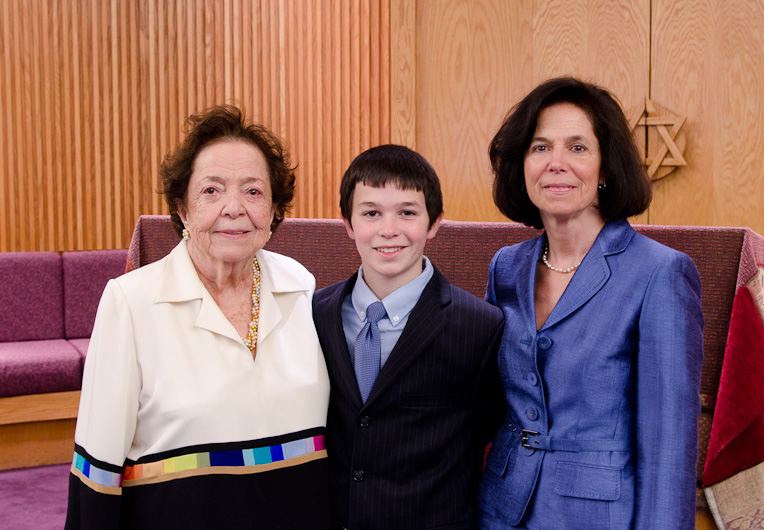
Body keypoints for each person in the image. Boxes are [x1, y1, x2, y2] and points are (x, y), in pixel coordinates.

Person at [65, 106, 330, 529]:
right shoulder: (131, 302)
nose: (234, 207)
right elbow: (97, 470)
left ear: (274, 210)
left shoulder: (298, 285)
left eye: (253, 191)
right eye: (211, 190)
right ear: (182, 209)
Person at [477, 77, 704, 530]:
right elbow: (486, 402)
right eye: (540, 147)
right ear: (522, 166)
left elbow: (669, 448)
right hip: (500, 509)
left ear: (605, 169)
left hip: (597, 516)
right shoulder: (506, 267)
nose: (556, 163)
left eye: (577, 148)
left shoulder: (660, 273)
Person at [313, 144, 505, 529]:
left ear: (434, 223)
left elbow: (493, 433)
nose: (389, 229)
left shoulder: (480, 326)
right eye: (371, 213)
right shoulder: (315, 313)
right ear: (348, 224)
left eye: (407, 212)